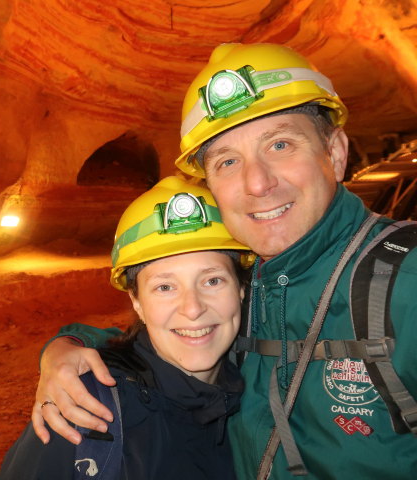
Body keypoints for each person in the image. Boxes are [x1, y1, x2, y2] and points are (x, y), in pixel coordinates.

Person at [31, 43, 417, 479]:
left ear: (335, 152)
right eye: (229, 161)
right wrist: (67, 348)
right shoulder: (257, 292)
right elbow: (168, 334)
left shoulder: (406, 283)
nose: (257, 182)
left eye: (281, 144)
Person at [0, 176, 250, 478]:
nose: (193, 309)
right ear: (137, 301)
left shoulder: (259, 381)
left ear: (241, 289)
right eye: (165, 287)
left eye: (212, 280)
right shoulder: (84, 409)